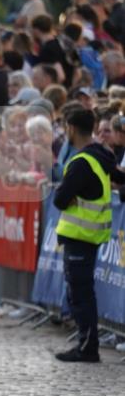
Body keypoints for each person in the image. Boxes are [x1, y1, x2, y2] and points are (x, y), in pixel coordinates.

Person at [53, 107, 124, 362]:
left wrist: (68, 194)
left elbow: (60, 199)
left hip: (80, 235)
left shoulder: (82, 161)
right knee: (82, 293)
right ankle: (87, 343)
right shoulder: (101, 156)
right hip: (90, 235)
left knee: (80, 294)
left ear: (71, 129)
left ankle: (87, 347)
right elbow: (119, 177)